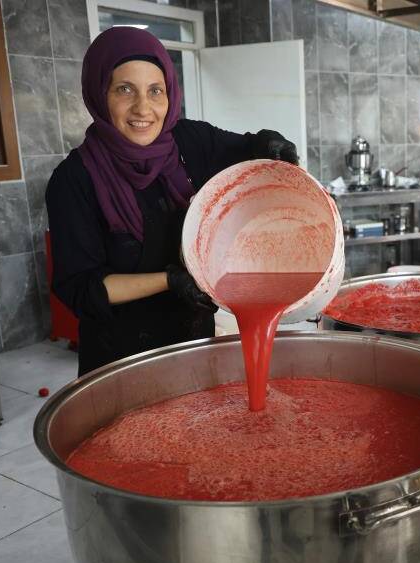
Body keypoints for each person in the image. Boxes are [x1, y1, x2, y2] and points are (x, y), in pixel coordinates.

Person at [47, 27, 298, 376]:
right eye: (124, 89)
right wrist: (170, 280)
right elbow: (80, 288)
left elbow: (249, 149)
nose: (143, 108)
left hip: (194, 344)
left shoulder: (189, 140)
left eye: (155, 91)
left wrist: (270, 144)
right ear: (99, 93)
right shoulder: (74, 179)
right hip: (121, 358)